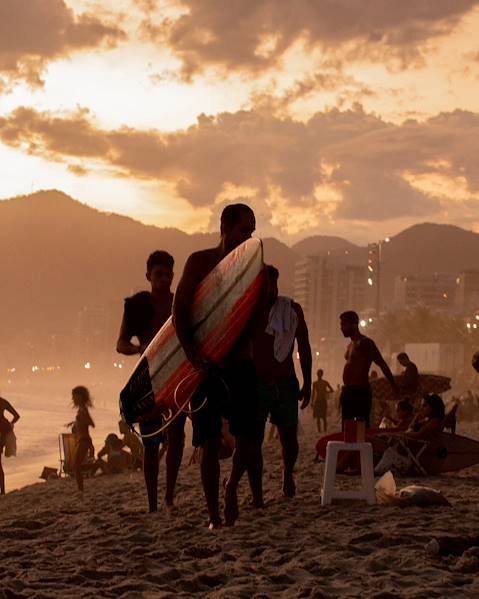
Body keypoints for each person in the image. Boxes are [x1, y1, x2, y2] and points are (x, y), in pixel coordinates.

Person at [173, 203, 263, 529]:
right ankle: (213, 517)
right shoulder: (199, 262)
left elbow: (254, 320)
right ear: (225, 226)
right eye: (244, 230)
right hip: (205, 365)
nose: (249, 237)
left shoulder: (254, 270)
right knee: (209, 441)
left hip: (239, 363)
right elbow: (179, 311)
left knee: (251, 441)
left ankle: (231, 487)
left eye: (253, 231)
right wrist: (192, 355)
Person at [117, 250, 185, 512]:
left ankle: (169, 495)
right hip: (147, 381)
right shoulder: (137, 305)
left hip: (177, 376)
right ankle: (152, 503)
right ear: (148, 276)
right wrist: (139, 349)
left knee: (177, 436)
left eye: (169, 274)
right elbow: (120, 343)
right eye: (159, 274)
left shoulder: (180, 302)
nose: (164, 279)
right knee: (151, 442)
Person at [254, 265, 312, 498]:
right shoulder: (248, 312)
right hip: (256, 383)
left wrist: (307, 383)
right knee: (252, 441)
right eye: (266, 284)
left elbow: (304, 347)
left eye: (274, 284)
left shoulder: (291, 310)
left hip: (285, 381)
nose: (271, 289)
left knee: (289, 440)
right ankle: (257, 492)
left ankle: (288, 474)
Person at [340, 311, 399, 428]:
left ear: (354, 324)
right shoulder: (350, 345)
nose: (341, 328)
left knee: (360, 427)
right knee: (347, 427)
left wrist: (393, 384)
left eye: (344, 325)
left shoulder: (366, 343)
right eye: (341, 325)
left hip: (360, 391)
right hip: (348, 391)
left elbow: (382, 363)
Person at [70, 386, 95, 493]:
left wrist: (80, 421)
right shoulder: (81, 409)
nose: (72, 399)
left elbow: (91, 423)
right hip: (82, 440)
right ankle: (80, 490)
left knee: (76, 466)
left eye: (74, 396)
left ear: (80, 396)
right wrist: (75, 423)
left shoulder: (83, 409)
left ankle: (81, 490)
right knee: (76, 466)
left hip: (84, 440)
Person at [0, 395, 20, 495]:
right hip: (3, 432)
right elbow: (17, 416)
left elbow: (17, 416)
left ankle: (2, 491)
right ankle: (2, 490)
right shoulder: (3, 401)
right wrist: (10, 424)